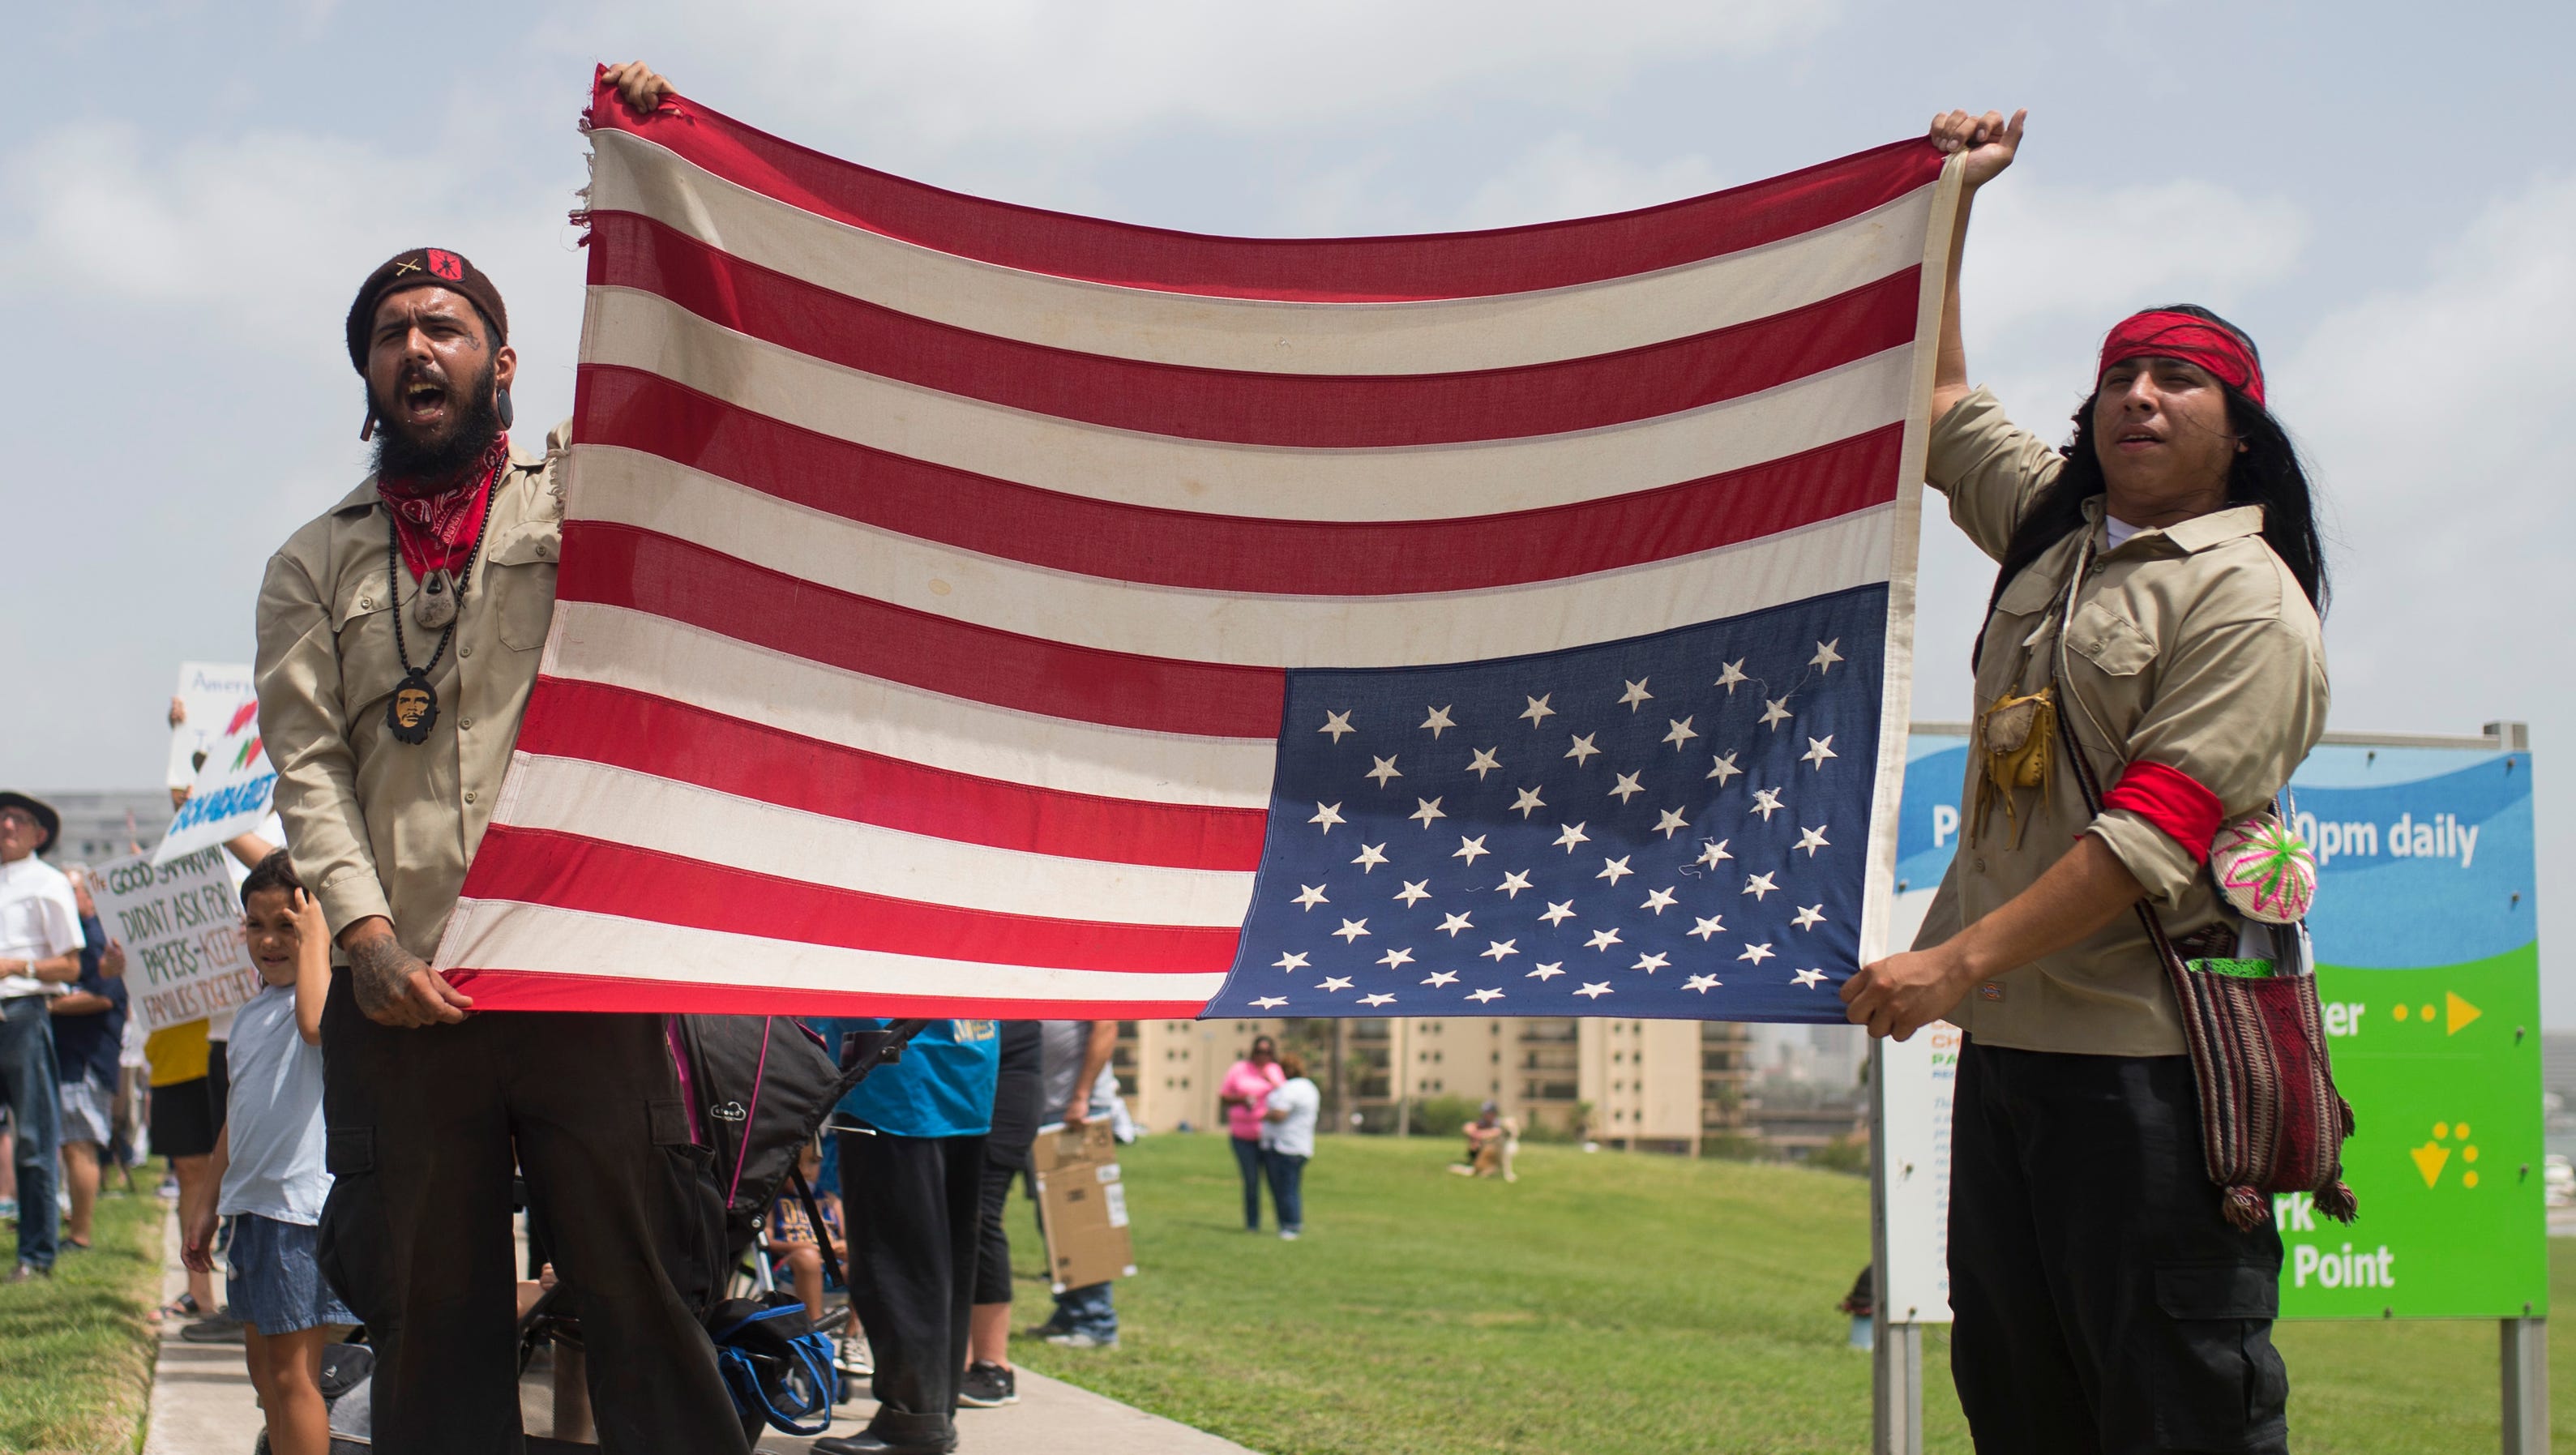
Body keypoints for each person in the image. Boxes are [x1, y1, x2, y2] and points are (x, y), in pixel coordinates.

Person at [250, 58, 744, 1455]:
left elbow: (709, 397)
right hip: (404, 994)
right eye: (393, 332)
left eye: (448, 327)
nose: (419, 349)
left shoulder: (586, 502)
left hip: (584, 970)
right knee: (428, 1326)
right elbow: (308, 766)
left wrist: (665, 181)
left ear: (500, 363)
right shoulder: (308, 562)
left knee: (648, 1305)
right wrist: (361, 937)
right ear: (366, 370)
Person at [1838, 109, 2330, 1455]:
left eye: (2177, 380)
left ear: (2238, 433)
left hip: (2150, 1074)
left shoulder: (2248, 603)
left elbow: (2151, 835)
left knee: (2173, 1408)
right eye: (2120, 376)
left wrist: (1952, 965)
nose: (2139, 397)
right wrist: (1948, 202)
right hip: (2009, 1065)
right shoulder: (2055, 530)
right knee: (2021, 1401)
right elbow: (1938, 408)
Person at [182, 852, 353, 1455]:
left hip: (296, 1216)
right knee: (266, 1378)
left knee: (294, 1377)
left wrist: (318, 933)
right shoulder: (251, 1013)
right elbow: (239, 1113)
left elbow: (313, 1026)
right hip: (252, 1213)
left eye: (288, 924)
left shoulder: (326, 997)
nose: (270, 940)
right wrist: (208, 1204)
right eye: (256, 925)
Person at [819, 1017, 999, 1455]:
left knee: (895, 1261)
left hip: (892, 1075)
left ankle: (913, 1421)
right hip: (965, 1066)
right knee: (942, 1264)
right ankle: (928, 1414)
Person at [0, 790, 83, 1281]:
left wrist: (17, 965)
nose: (6, 825)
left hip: (24, 1012)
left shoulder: (49, 882)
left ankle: (36, 1253)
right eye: (2, 817)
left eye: (17, 819)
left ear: (39, 834)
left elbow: (71, 964)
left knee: (33, 1138)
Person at [1023, 1020, 1122, 1349]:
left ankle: (1096, 1323)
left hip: (1077, 1111)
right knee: (1055, 1223)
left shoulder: (1087, 971)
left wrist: (1080, 1097)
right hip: (1049, 1107)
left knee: (1082, 1222)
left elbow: (1107, 1026)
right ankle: (1070, 1312)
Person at [961, 1020, 1042, 1408]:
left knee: (980, 1217)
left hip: (1004, 1088)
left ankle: (993, 1364)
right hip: (952, 1085)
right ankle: (951, 1363)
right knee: (950, 1222)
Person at [50, 867, 129, 1253]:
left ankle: (79, 1236)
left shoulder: (98, 936)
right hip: (70, 1057)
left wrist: (47, 1004)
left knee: (79, 1142)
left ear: (88, 897)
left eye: (70, 890)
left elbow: (104, 996)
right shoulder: (78, 935)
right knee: (68, 1143)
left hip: (86, 1058)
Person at [768, 1139, 848, 1326]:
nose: (806, 1171)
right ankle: (816, 1324)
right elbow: (768, 1241)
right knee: (808, 1257)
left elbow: (847, 1239)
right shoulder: (774, 1199)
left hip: (832, 1267)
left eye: (813, 1162)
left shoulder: (830, 1199)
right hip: (792, 1267)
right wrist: (809, 1247)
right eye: (797, 1164)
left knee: (863, 1259)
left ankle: (853, 1332)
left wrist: (843, 1246)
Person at [1216, 1034, 1284, 1232]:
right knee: (1252, 1181)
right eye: (1260, 1052)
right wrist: (1242, 1100)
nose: (1263, 1056)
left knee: (1275, 1181)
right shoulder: (1239, 1069)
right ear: (1253, 1052)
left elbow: (1285, 1095)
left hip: (1269, 1136)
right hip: (1243, 1136)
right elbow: (1223, 1097)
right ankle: (1252, 1225)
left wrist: (1270, 1081)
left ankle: (1284, 1224)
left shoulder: (1275, 1071)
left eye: (1268, 1052)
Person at [1259, 1051, 1320, 1239]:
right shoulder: (1310, 1087)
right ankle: (1293, 1223)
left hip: (1284, 1146)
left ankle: (1289, 1226)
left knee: (1284, 1188)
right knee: (1292, 1187)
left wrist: (1262, 1114)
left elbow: (1279, 1114)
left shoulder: (1290, 1088)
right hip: (1301, 1145)